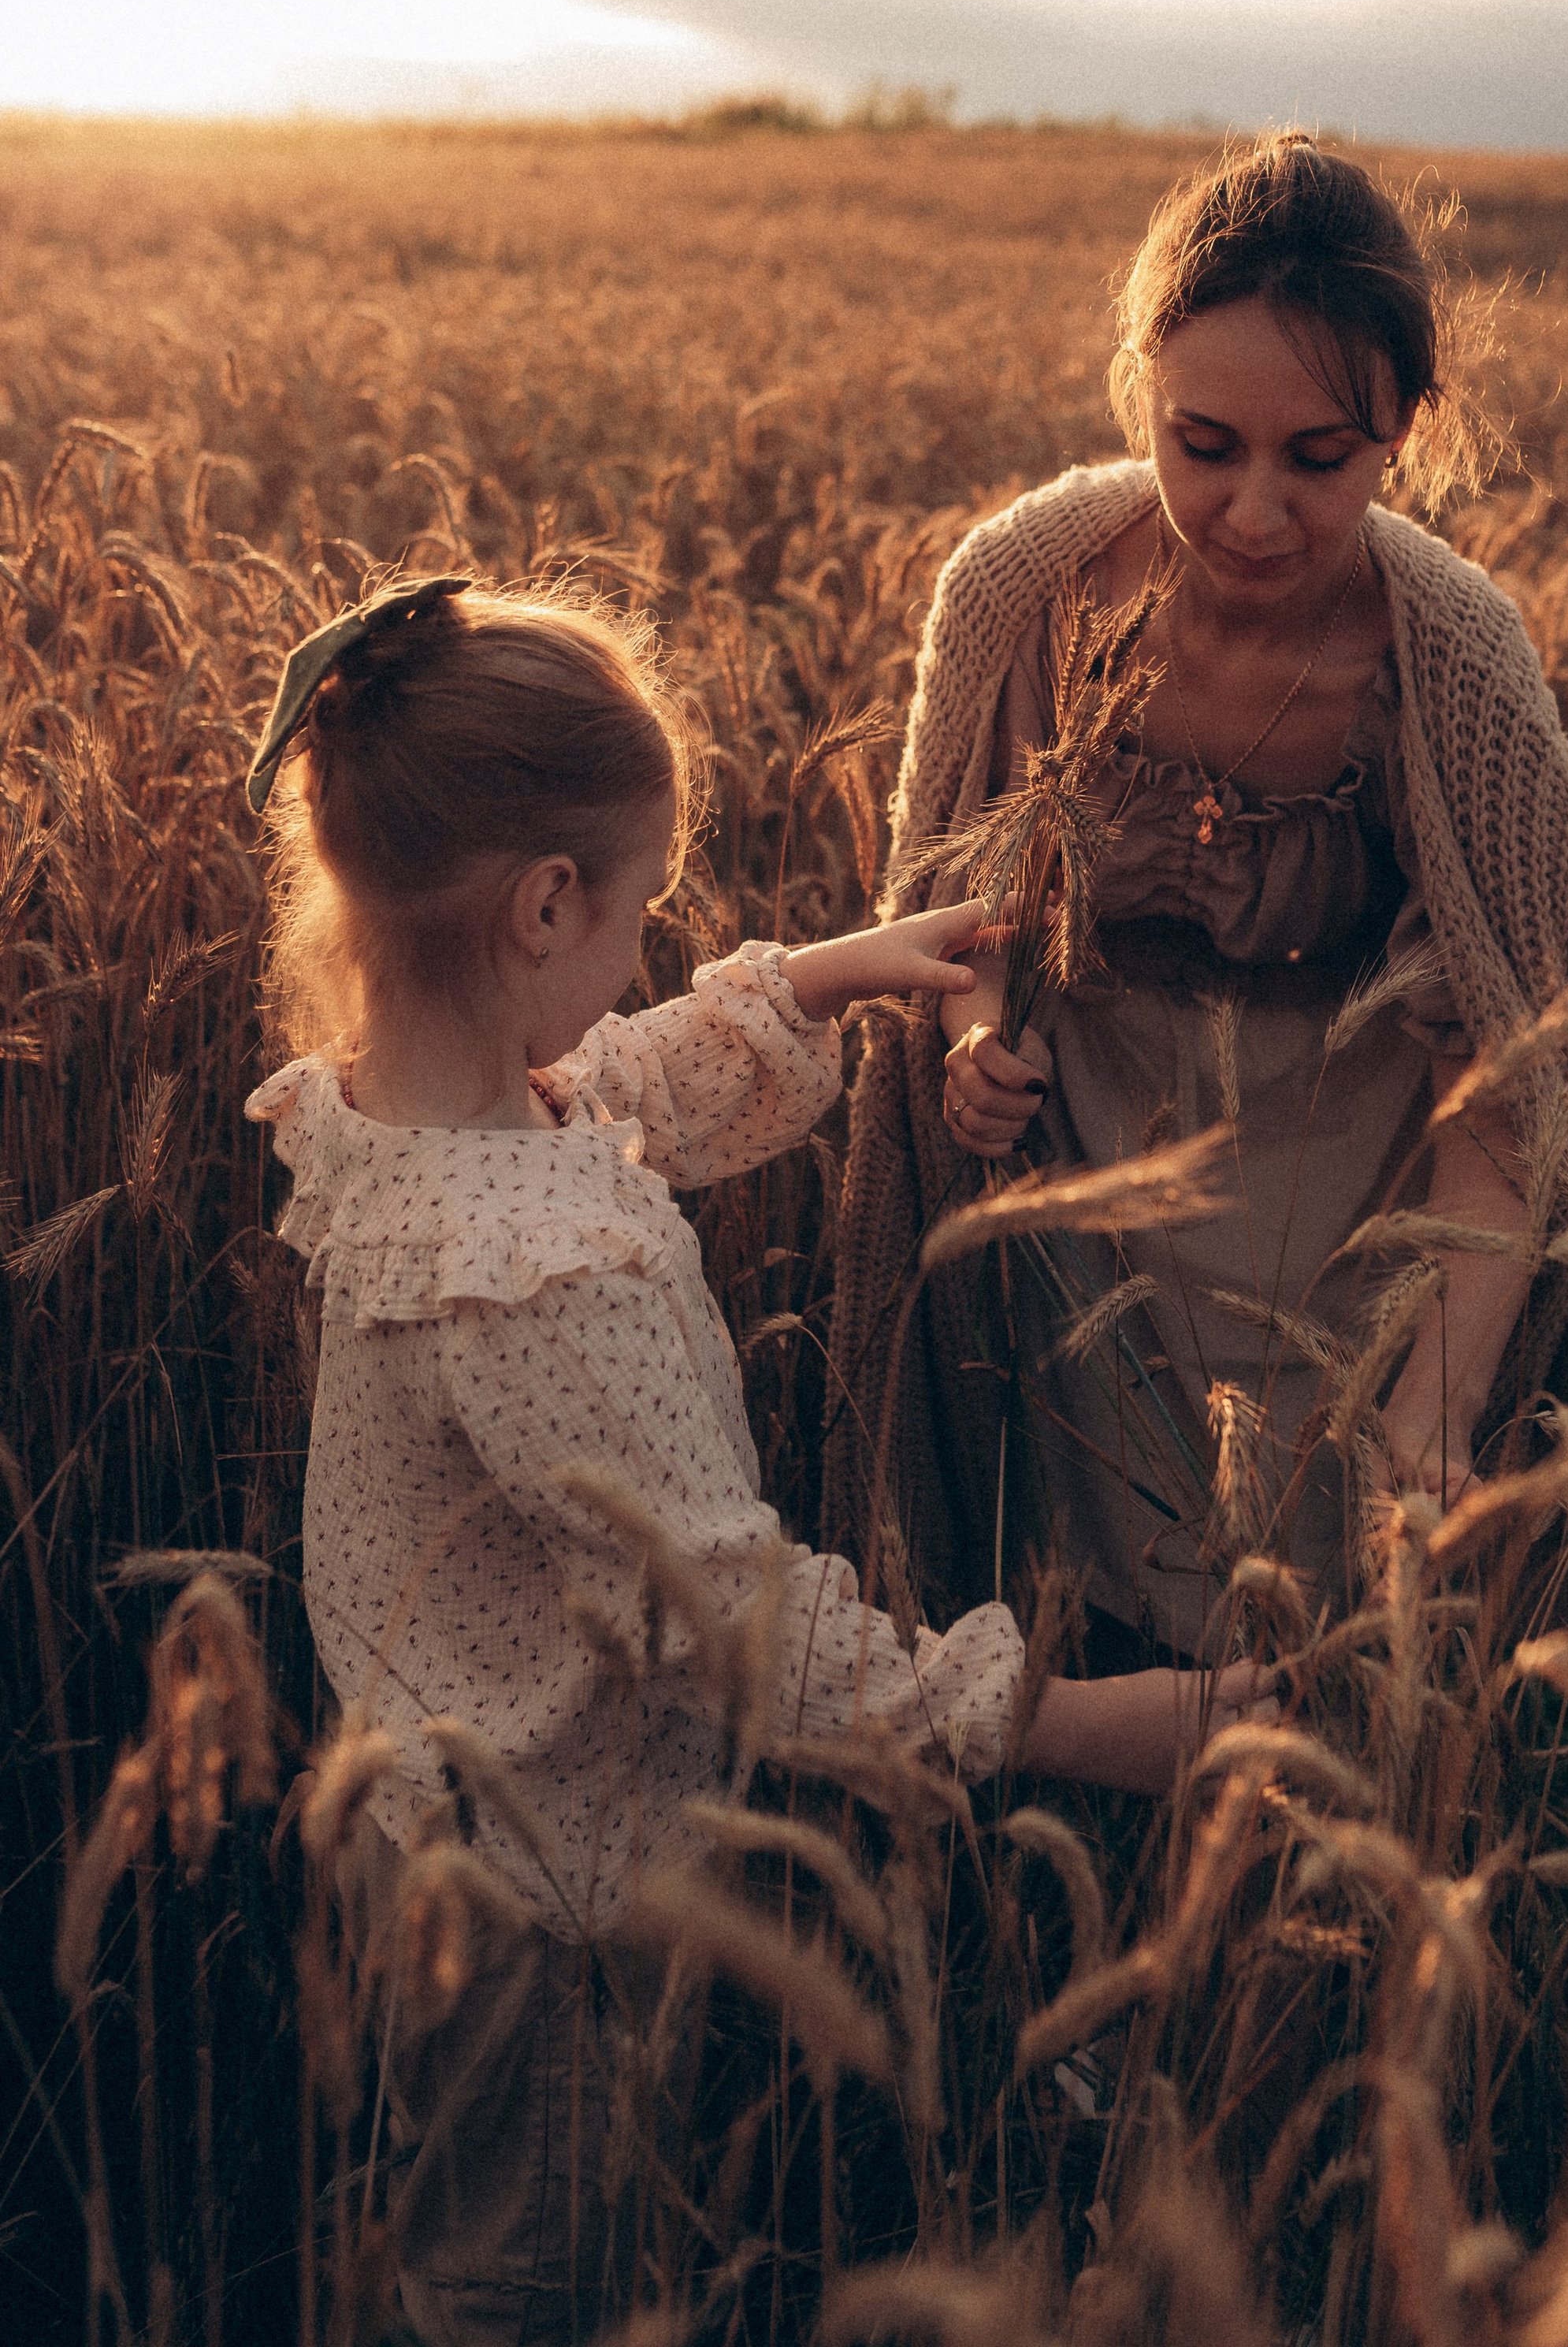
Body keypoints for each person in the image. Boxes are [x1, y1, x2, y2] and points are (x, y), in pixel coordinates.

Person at [240, 572, 1268, 2346]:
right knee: (521, 2287)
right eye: (637, 904)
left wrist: (828, 977)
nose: (643, 946)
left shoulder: (405, 1136)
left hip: (444, 1818)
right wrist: (1079, 1723)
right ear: (543, 904)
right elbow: (732, 1620)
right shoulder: (530, 1278)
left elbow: (615, 1082)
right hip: (538, 1902)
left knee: (481, 2224)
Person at [827, 132, 1568, 1660]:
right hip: (1089, 1152)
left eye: (1317, 459)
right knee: (1071, 1563)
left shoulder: (1447, 655)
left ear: (1404, 426)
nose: (1254, 510)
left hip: (1351, 1184)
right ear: (1140, 391)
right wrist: (974, 1039)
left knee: (1326, 1601)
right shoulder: (1022, 586)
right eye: (1202, 445)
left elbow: (1522, 1052)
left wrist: (1441, 1393)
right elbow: (956, 882)